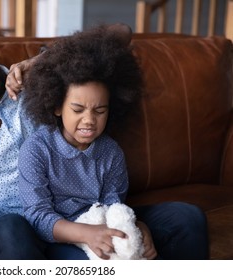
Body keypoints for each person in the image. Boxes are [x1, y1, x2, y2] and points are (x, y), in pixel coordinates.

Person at [0, 14, 135, 259]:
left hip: (69, 223)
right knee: (14, 230)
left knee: (179, 219)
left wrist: (44, 60)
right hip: (5, 233)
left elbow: (121, 31)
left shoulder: (39, 81)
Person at [18, 24, 209, 260]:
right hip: (62, 235)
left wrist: (138, 227)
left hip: (105, 222)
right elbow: (38, 217)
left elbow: (114, 206)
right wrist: (87, 234)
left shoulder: (110, 152)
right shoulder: (36, 150)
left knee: (188, 216)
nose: (89, 120)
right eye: (77, 109)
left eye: (99, 110)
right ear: (57, 106)